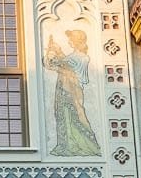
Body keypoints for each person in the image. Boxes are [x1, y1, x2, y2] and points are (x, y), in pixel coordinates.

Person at [43, 29, 101, 157]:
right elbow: (53, 65)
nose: (70, 41)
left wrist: (57, 52)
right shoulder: (71, 56)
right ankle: (65, 145)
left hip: (72, 91)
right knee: (62, 115)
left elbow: (68, 67)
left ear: (77, 41)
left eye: (72, 38)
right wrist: (50, 54)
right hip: (63, 89)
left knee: (76, 116)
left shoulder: (82, 57)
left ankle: (88, 145)